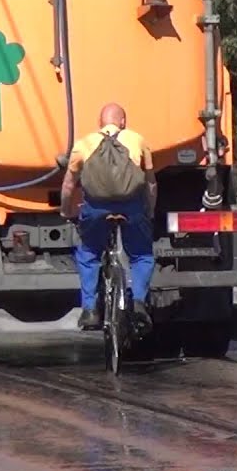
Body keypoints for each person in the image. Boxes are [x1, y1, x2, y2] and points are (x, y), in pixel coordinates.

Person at [60, 103, 158, 329]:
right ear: (123, 122)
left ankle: (90, 310)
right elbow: (151, 182)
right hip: (132, 207)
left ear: (100, 123)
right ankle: (140, 303)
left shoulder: (83, 144)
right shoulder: (138, 140)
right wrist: (149, 210)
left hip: (96, 208)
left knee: (88, 253)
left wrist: (66, 210)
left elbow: (68, 185)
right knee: (142, 254)